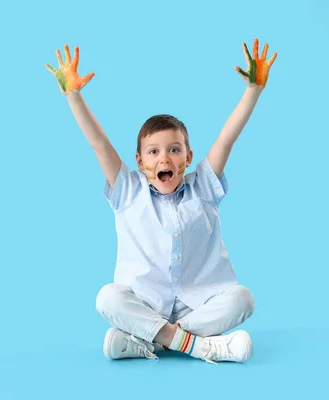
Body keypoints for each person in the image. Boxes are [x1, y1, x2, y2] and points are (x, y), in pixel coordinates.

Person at [46, 40, 277, 364]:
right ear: (140, 162)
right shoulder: (128, 190)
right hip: (146, 304)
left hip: (197, 306)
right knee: (107, 297)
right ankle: (199, 347)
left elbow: (227, 137)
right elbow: (99, 144)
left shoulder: (204, 189)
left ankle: (151, 340)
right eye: (154, 151)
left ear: (188, 156)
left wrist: (253, 90)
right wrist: (74, 96)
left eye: (174, 149)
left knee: (243, 299)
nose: (164, 157)